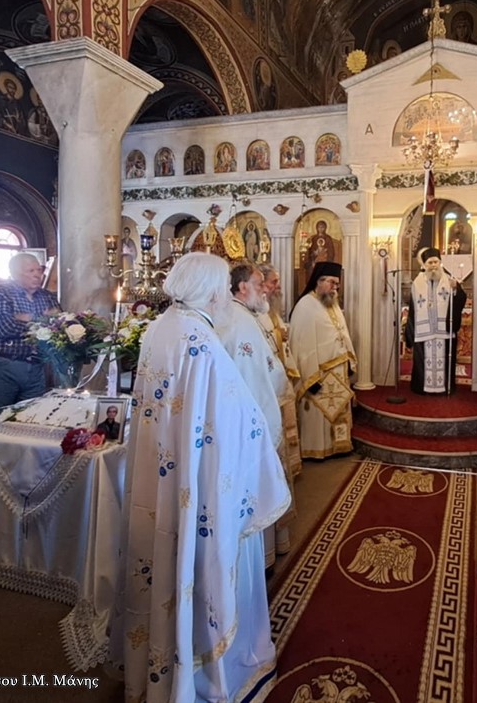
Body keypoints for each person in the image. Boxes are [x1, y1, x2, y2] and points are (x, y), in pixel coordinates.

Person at [109, 252, 290, 703]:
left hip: (167, 470)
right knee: (201, 560)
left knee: (168, 557)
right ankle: (209, 667)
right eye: (223, 290)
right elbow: (238, 419)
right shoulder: (200, 340)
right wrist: (264, 449)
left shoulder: (161, 327)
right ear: (211, 291)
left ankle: (164, 654)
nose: (229, 297)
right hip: (202, 483)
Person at [215, 260, 296, 564]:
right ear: (242, 287)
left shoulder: (236, 315)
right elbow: (266, 372)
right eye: (260, 283)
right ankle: (259, 559)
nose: (265, 290)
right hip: (251, 417)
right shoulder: (244, 321)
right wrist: (281, 385)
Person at [0, 252, 61, 427]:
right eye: (31, 270)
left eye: (39, 270)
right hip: (2, 366)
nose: (38, 274)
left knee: (33, 419)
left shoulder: (46, 296)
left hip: (35, 366)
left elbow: (60, 325)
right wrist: (43, 319)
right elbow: (5, 328)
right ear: (15, 273)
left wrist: (27, 318)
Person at [289, 261, 356, 459]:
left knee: (338, 412)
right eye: (332, 283)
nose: (335, 288)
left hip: (338, 372)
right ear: (319, 281)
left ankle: (339, 446)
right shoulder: (305, 306)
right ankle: (318, 450)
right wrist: (310, 379)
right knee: (319, 416)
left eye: (337, 284)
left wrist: (349, 361)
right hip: (318, 374)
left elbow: (342, 332)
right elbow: (301, 346)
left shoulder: (331, 302)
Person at [257, 262, 302, 479]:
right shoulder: (255, 310)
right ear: (262, 283)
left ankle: (289, 468)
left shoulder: (268, 308)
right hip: (267, 380)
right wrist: (279, 335)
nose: (278, 286)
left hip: (279, 372)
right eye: (274, 282)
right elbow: (259, 342)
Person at [404, 247, 468, 395]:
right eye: (430, 262)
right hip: (424, 330)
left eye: (436, 262)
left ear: (440, 263)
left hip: (443, 329)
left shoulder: (449, 279)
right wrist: (411, 330)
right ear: (424, 264)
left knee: (444, 358)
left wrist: (456, 290)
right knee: (422, 360)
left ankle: (443, 387)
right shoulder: (417, 283)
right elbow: (413, 308)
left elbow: (461, 299)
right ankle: (422, 387)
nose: (433, 265)